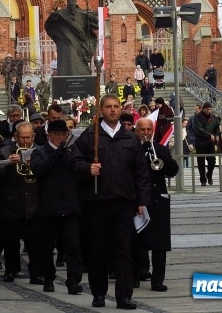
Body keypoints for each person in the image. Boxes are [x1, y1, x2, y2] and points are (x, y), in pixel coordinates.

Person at [70, 94, 151, 310]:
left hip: (123, 203)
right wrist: (87, 168)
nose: (112, 110)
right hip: (97, 203)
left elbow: (141, 173)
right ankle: (98, 294)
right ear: (101, 110)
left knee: (123, 250)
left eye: (116, 106)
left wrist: (142, 200)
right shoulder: (90, 136)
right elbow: (74, 162)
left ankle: (124, 296)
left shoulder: (130, 138)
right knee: (98, 250)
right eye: (108, 106)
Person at [30, 119, 83, 296]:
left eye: (64, 134)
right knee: (46, 248)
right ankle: (48, 277)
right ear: (49, 135)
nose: (61, 138)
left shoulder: (72, 152)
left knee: (73, 248)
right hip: (48, 209)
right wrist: (57, 153)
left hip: (70, 208)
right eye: (57, 134)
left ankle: (73, 280)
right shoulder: (39, 152)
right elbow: (38, 170)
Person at [133, 118, 178, 291]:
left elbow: (172, 171)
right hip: (138, 199)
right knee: (136, 241)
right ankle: (135, 275)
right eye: (142, 129)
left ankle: (158, 280)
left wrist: (161, 158)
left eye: (148, 129)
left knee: (160, 242)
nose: (145, 133)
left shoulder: (160, 149)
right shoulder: (132, 148)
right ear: (136, 131)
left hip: (158, 199)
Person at [0, 122, 42, 284]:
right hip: (12, 203)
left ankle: (36, 273)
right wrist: (8, 164)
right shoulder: (5, 151)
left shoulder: (40, 151)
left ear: (33, 137)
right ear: (16, 136)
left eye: (28, 137)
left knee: (35, 242)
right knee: (10, 241)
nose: (25, 141)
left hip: (34, 203)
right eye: (22, 138)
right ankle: (11, 270)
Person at [44, 0, 98, 76]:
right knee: (67, 63)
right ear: (68, 3)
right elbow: (48, 25)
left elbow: (94, 24)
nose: (72, 7)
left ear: (75, 2)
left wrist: (91, 18)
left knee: (80, 66)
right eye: (70, 5)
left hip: (79, 44)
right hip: (65, 43)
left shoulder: (82, 13)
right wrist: (53, 17)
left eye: (73, 5)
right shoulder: (61, 13)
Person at [192, 102, 221, 186]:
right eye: (207, 109)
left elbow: (217, 127)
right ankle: (203, 179)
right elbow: (198, 129)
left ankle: (209, 175)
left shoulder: (213, 117)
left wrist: (217, 135)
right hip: (200, 141)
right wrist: (209, 135)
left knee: (212, 160)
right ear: (203, 109)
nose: (209, 111)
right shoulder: (197, 117)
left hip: (210, 142)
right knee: (201, 161)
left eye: (210, 109)